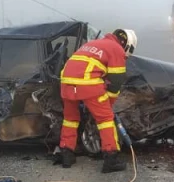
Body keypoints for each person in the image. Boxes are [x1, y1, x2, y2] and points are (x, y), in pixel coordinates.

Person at [57, 28, 137, 173]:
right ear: (127, 46)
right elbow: (117, 80)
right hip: (87, 84)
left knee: (70, 119)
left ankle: (66, 155)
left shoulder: (94, 43)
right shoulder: (116, 49)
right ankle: (111, 158)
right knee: (106, 119)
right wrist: (109, 103)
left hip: (66, 83)